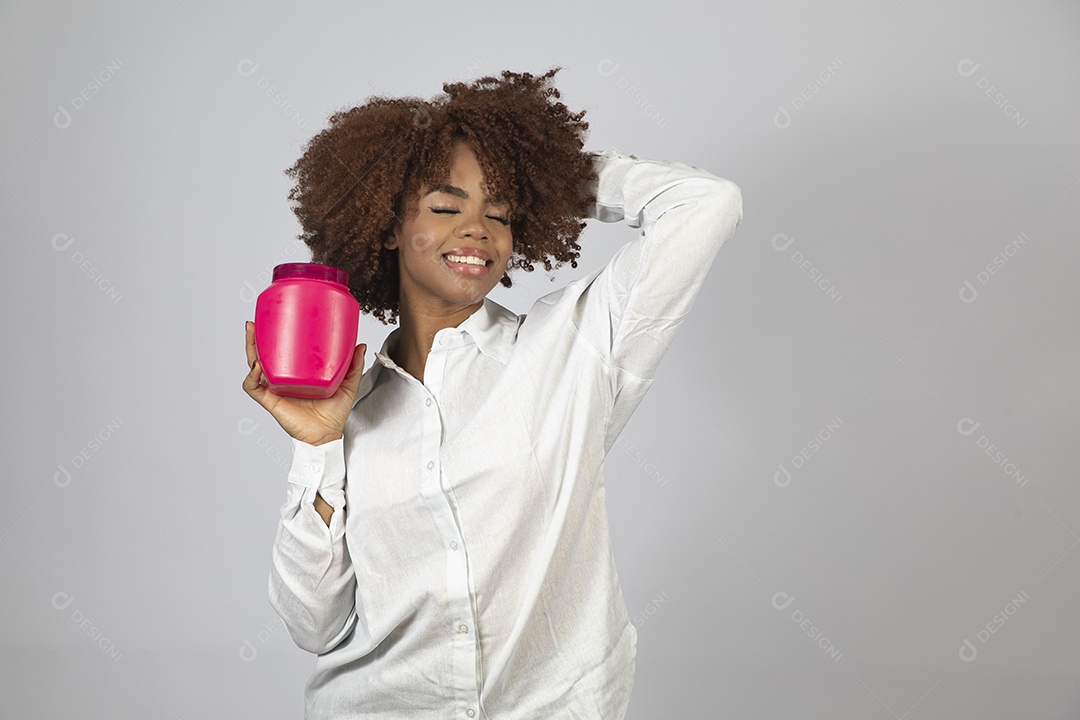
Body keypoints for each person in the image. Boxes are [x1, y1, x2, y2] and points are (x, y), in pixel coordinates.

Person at [242, 67, 743, 719]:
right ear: (389, 224)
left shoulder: (575, 346)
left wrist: (548, 175)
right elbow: (314, 626)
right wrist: (317, 449)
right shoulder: (348, 409)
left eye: (499, 211)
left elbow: (705, 205)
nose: (477, 228)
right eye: (446, 206)